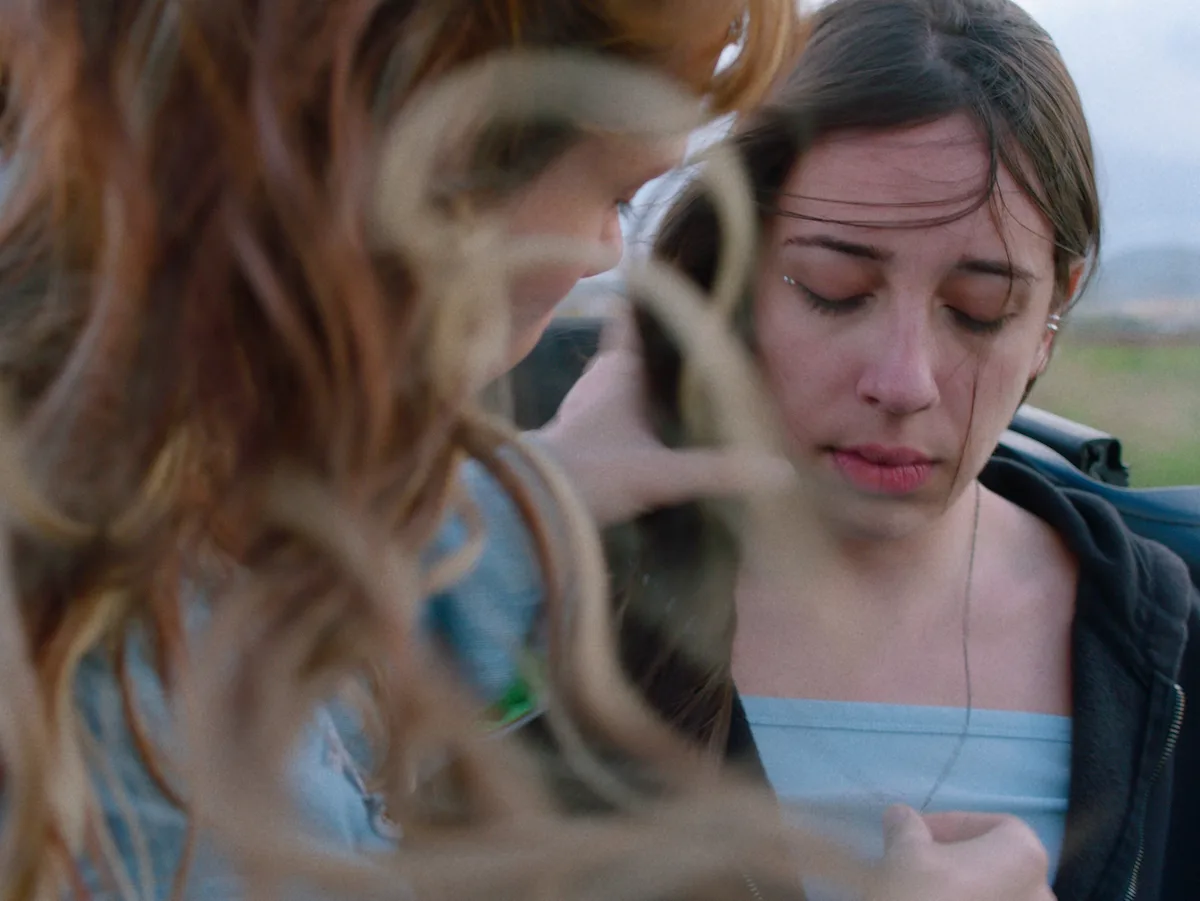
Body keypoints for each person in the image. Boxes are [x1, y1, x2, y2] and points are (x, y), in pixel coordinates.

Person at [0, 2, 813, 900]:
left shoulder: (117, 464)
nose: (604, 251)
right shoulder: (134, 703)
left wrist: (538, 500)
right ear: (436, 166)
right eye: (614, 195)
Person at [531, 0, 1198, 899]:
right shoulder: (536, 597)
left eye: (979, 310)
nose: (903, 379)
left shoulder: (1160, 639)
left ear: (1052, 312)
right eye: (834, 288)